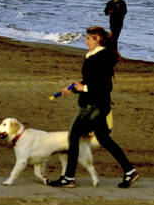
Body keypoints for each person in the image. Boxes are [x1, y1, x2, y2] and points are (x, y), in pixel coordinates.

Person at [49, 26, 140, 189]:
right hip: (99, 104)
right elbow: (92, 81)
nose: (85, 42)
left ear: (97, 39)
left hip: (94, 105)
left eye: (88, 39)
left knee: (74, 135)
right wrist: (73, 88)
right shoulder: (99, 56)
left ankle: (69, 177)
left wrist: (82, 88)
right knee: (104, 138)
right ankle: (129, 171)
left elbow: (104, 86)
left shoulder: (100, 58)